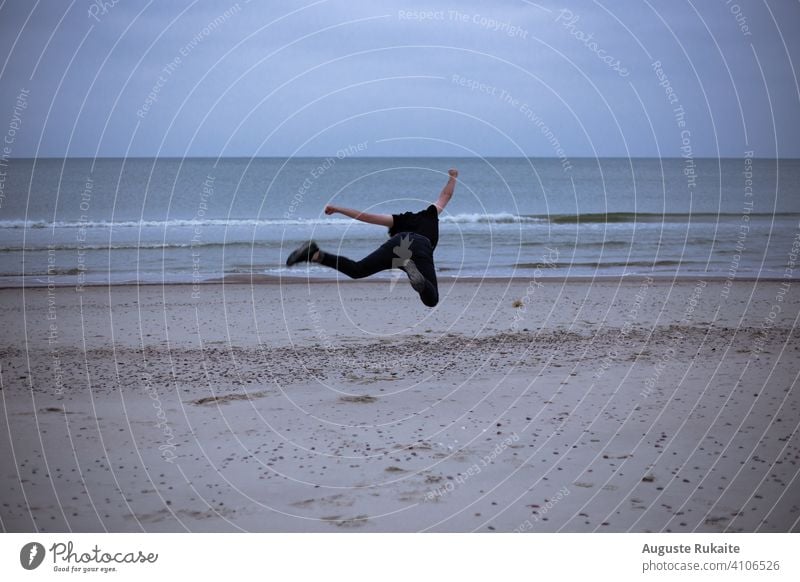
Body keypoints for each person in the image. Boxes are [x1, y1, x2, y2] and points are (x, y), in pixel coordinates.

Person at [285, 168, 458, 307]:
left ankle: (315, 254)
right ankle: (415, 275)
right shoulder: (429, 214)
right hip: (420, 245)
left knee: (357, 270)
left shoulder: (397, 220)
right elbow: (446, 196)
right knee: (431, 299)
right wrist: (453, 177)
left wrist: (338, 209)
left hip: (397, 244)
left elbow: (364, 216)